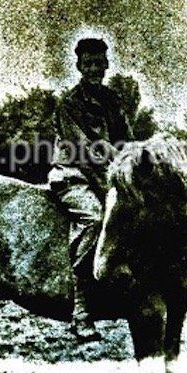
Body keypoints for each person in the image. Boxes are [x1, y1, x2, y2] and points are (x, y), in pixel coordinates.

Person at [48, 38, 135, 342]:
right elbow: (84, 152)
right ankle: (81, 311)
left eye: (99, 62)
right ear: (79, 67)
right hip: (73, 175)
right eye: (88, 64)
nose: (94, 68)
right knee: (95, 221)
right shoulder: (69, 104)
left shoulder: (113, 101)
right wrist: (110, 188)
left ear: (107, 64)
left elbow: (125, 142)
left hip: (107, 175)